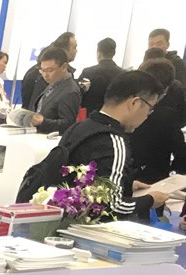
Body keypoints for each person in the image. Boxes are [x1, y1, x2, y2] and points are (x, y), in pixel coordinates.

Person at [55, 70, 167, 219]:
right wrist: (150, 200)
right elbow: (111, 204)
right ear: (135, 103)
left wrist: (126, 184)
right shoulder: (114, 141)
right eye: (150, 108)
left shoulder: (78, 127)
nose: (147, 115)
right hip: (93, 226)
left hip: (64, 218)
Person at [129, 58, 186, 186]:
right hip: (153, 180)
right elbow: (180, 152)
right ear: (166, 89)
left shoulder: (127, 105)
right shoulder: (168, 116)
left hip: (123, 175)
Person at [30, 46, 80, 134]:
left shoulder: (70, 91)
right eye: (42, 70)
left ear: (64, 67)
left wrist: (43, 122)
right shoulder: (53, 84)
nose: (45, 75)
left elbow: (68, 124)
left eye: (49, 70)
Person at [22, 32, 77, 109]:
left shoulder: (65, 77)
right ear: (64, 50)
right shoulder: (42, 76)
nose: (76, 51)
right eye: (74, 47)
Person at [78, 38, 123, 115]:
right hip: (112, 116)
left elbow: (79, 93)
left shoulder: (88, 72)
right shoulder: (122, 74)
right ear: (114, 53)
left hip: (90, 115)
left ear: (99, 53)